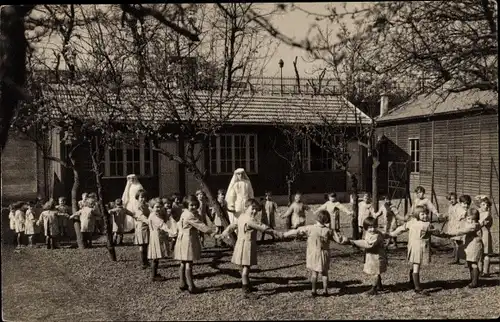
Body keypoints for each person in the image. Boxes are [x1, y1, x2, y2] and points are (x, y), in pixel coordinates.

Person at [215, 199, 278, 296]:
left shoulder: (241, 217)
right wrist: (276, 233)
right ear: (246, 208)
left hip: (240, 244)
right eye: (252, 209)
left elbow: (232, 226)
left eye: (256, 210)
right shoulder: (250, 220)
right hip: (247, 246)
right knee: (246, 268)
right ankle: (245, 290)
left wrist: (223, 234)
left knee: (244, 267)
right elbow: (262, 227)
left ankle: (247, 285)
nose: (254, 211)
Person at [282, 210, 349, 297]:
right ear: (327, 220)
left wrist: (285, 234)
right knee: (324, 273)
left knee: (314, 273)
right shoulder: (329, 231)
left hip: (313, 254)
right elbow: (339, 239)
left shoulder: (310, 228)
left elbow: (297, 231)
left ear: (317, 218)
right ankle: (325, 291)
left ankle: (314, 290)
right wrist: (348, 240)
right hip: (324, 254)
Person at [389, 205, 445, 295]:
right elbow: (437, 233)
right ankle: (417, 287)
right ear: (416, 214)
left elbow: (401, 229)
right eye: (422, 214)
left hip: (413, 246)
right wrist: (446, 234)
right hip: (419, 247)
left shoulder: (412, 222)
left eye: (426, 214)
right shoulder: (427, 225)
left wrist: (391, 234)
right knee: (416, 266)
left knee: (414, 265)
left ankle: (412, 282)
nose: (425, 216)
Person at [174, 195, 215, 294]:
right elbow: (200, 225)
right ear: (186, 205)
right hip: (188, 240)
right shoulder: (189, 215)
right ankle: (191, 286)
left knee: (183, 262)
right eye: (191, 205)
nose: (194, 207)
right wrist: (211, 232)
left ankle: (182, 283)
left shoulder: (185, 213)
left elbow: (179, 224)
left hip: (182, 239)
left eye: (195, 205)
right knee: (188, 262)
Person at [444, 208, 484, 288]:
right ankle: (472, 279)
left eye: (472, 219)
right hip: (470, 246)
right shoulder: (470, 224)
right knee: (470, 263)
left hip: (475, 246)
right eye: (468, 219)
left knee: (473, 263)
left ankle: (475, 282)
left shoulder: (474, 225)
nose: (470, 220)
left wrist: (449, 234)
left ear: (476, 219)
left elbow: (462, 231)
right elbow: (462, 227)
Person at [350, 217, 388, 296]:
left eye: (374, 226)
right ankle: (379, 285)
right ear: (366, 228)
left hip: (377, 256)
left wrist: (354, 242)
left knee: (376, 272)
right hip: (372, 256)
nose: (372, 229)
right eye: (370, 227)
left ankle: (373, 289)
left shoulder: (376, 235)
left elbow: (368, 244)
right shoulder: (368, 233)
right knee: (375, 271)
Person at [147, 198, 178, 282]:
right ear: (152, 207)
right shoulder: (153, 216)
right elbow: (162, 225)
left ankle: (155, 274)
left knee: (156, 258)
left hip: (158, 236)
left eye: (160, 207)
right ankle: (153, 276)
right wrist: (171, 231)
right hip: (156, 236)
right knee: (155, 257)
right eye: (157, 207)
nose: (159, 209)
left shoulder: (157, 214)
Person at [439, 192, 466, 264]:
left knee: (457, 242)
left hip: (457, 225)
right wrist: (445, 215)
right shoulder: (450, 206)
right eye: (450, 200)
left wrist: (458, 219)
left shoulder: (458, 206)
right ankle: (455, 255)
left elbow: (463, 213)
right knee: (453, 241)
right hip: (451, 225)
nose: (451, 201)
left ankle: (457, 259)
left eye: (453, 199)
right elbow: (449, 214)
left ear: (456, 199)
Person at [131, 189, 150, 269]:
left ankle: (146, 260)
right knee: (142, 245)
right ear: (138, 198)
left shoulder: (146, 206)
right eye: (141, 197)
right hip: (141, 227)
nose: (143, 199)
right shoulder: (137, 206)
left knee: (146, 245)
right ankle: (143, 262)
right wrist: (149, 221)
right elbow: (141, 216)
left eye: (145, 197)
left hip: (147, 227)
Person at [477, 196, 493, 277]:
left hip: (485, 234)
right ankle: (480, 270)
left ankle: (485, 271)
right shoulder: (479, 212)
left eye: (487, 205)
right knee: (479, 253)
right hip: (479, 234)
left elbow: (480, 222)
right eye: (483, 204)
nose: (485, 206)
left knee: (486, 253)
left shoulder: (487, 214)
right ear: (480, 205)